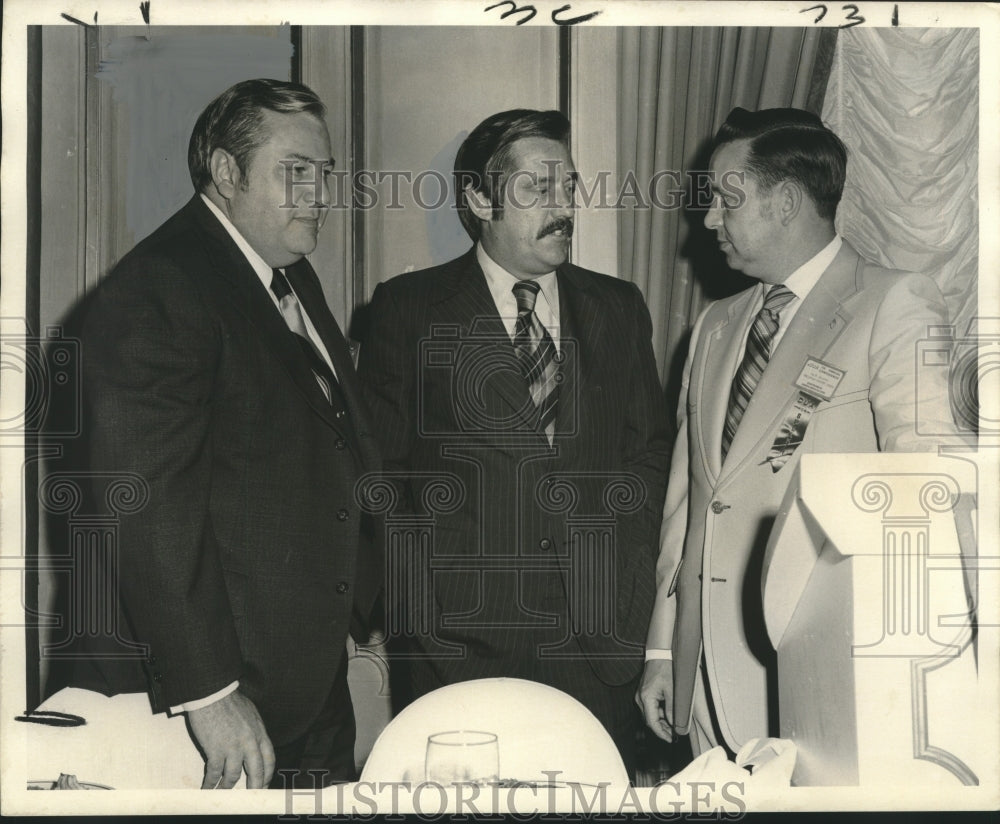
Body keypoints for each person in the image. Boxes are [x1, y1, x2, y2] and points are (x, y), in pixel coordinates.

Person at [64, 79, 382, 789]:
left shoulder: (288, 277)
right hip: (217, 697)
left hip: (304, 679)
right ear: (227, 173)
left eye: (324, 173)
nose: (319, 193)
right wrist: (210, 694)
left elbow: (332, 441)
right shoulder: (160, 287)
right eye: (295, 171)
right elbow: (144, 505)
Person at [637, 107, 962, 756]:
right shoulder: (714, 326)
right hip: (704, 689)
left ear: (785, 201)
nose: (707, 222)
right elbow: (689, 508)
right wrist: (663, 647)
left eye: (726, 201)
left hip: (824, 682)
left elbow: (925, 494)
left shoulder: (893, 303)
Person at [357, 108, 671, 772]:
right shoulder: (409, 309)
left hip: (600, 640)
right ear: (479, 198)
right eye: (537, 189)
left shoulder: (619, 307)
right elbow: (378, 473)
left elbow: (649, 456)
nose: (563, 208)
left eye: (569, 187)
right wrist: (418, 608)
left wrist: (632, 577)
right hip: (458, 646)